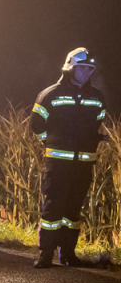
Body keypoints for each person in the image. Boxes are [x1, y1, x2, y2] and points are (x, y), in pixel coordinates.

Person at [30, 48, 108, 269]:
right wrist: (51, 143)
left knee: (73, 210)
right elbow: (36, 125)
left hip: (84, 164)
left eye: (89, 69)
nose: (86, 72)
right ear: (70, 68)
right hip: (58, 163)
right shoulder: (50, 95)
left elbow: (97, 123)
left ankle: (68, 254)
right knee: (53, 208)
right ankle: (46, 253)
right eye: (82, 68)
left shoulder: (97, 97)